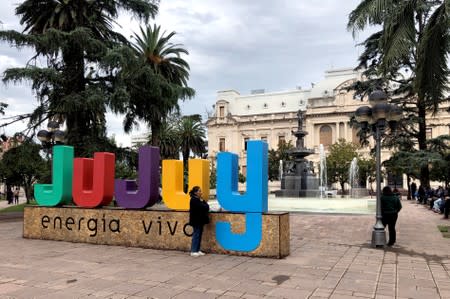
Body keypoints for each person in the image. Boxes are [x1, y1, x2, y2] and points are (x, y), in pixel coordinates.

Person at [188, 186, 209, 257]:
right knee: (196, 235)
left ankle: (197, 250)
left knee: (199, 235)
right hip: (196, 221)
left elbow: (206, 207)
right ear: (195, 192)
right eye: (199, 191)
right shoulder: (194, 200)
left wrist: (203, 202)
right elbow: (205, 207)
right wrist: (203, 202)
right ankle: (193, 251)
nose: (201, 192)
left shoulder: (199, 200)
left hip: (200, 221)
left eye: (201, 191)